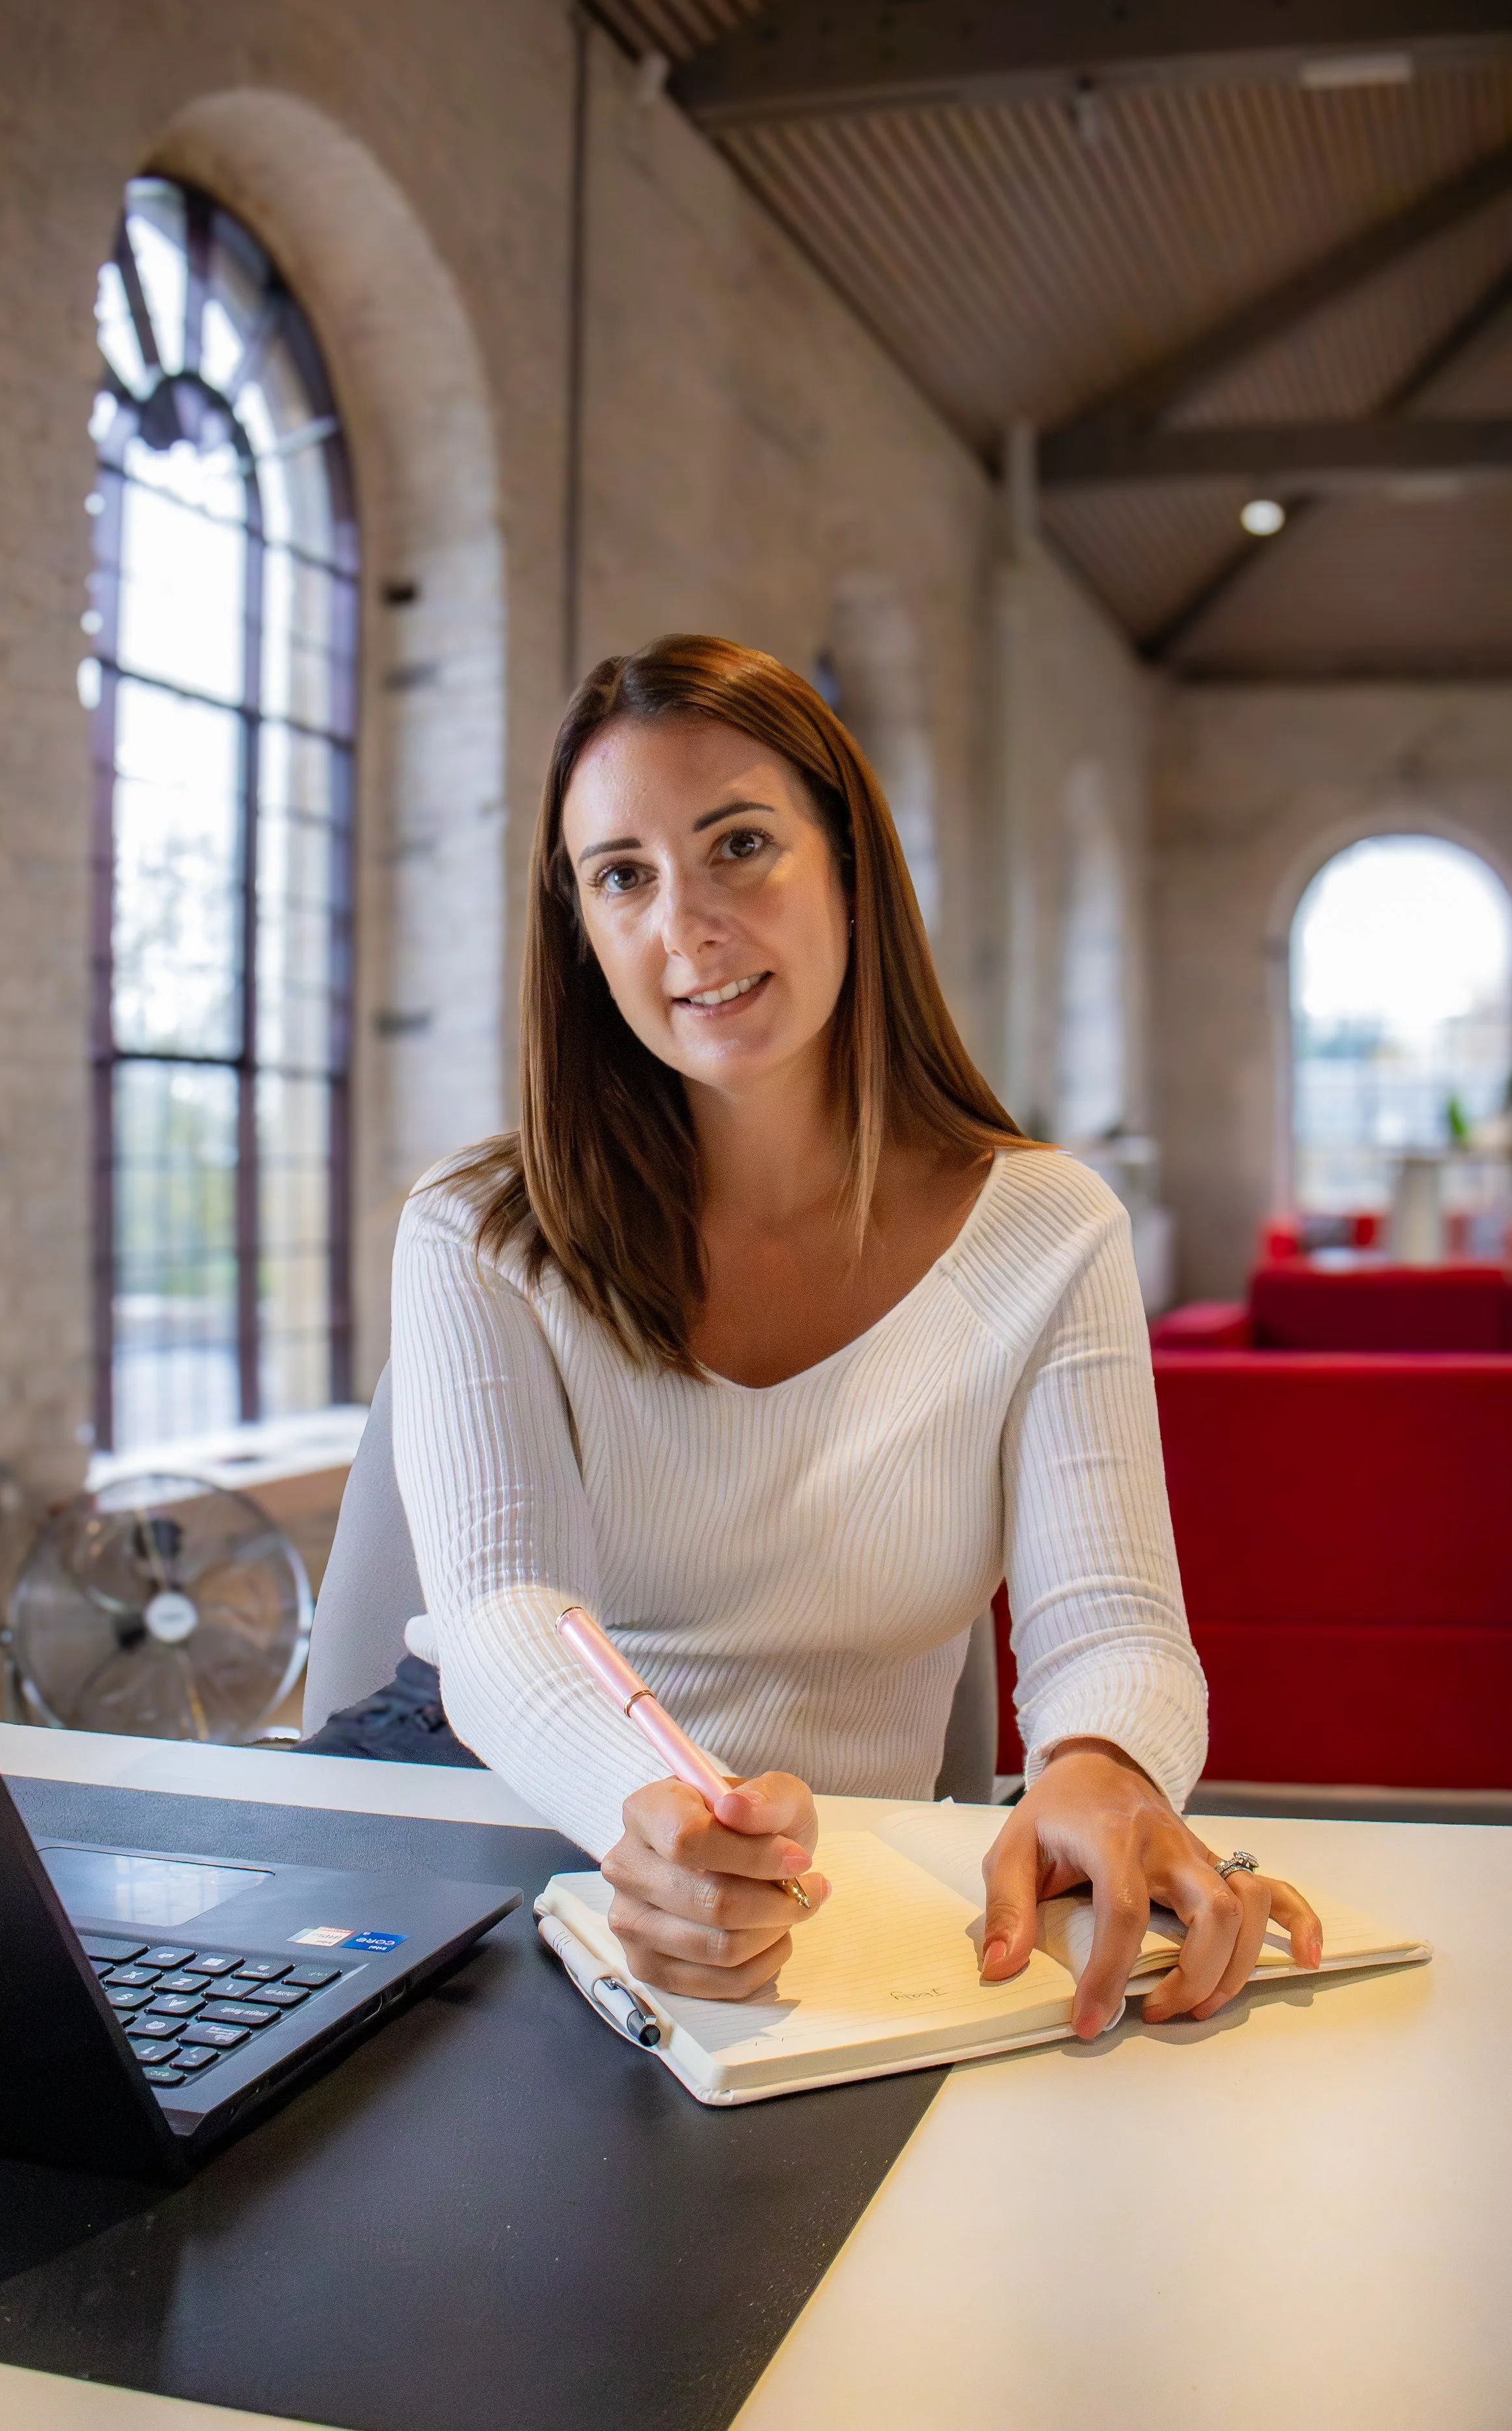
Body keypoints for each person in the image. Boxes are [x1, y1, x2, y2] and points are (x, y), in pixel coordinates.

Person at [391, 633, 1321, 2036]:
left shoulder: (1048, 1229)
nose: (684, 930)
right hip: (513, 1845)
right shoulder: (477, 1228)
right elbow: (506, 1612)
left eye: (739, 846)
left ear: (850, 866)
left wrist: (1096, 1763)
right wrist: (645, 1822)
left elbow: (1112, 1625)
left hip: (850, 1923)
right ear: (577, 928)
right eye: (621, 877)